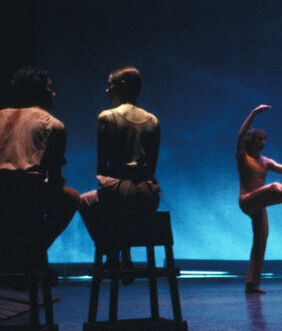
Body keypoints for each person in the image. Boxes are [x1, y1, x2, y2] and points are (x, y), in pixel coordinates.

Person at [0, 67, 80, 267]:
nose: (53, 93)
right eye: (49, 88)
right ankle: (32, 251)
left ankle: (15, 251)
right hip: (28, 193)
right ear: (36, 91)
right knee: (71, 199)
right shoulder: (52, 124)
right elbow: (55, 177)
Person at [79, 67, 162, 242]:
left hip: (118, 191)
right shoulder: (153, 120)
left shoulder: (108, 117)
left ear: (122, 85)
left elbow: (102, 167)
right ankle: (124, 253)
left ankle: (107, 248)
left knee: (84, 201)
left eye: (110, 85)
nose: (107, 90)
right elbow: (152, 167)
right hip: (147, 194)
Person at [236, 104, 282, 293]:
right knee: (275, 187)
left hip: (260, 204)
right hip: (247, 200)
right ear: (252, 140)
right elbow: (240, 135)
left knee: (261, 239)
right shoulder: (243, 156)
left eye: (264, 140)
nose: (263, 143)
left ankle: (252, 283)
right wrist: (253, 112)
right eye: (260, 139)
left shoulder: (265, 161)